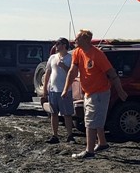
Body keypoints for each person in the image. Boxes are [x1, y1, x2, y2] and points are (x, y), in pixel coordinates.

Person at [62, 29, 127, 159]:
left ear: (86, 40)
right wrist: (65, 89)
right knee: (96, 119)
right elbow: (72, 71)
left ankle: (89, 151)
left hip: (100, 92)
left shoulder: (98, 54)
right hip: (88, 92)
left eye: (78, 38)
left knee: (90, 122)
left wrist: (120, 91)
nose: (75, 40)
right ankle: (102, 143)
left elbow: (112, 73)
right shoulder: (77, 52)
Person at [42, 37, 75, 144]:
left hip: (65, 90)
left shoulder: (70, 58)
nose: (56, 46)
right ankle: (55, 135)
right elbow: (47, 73)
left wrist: (63, 66)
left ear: (64, 45)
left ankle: (70, 135)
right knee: (53, 113)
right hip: (53, 90)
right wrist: (45, 88)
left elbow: (73, 73)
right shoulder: (52, 57)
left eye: (58, 43)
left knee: (67, 114)